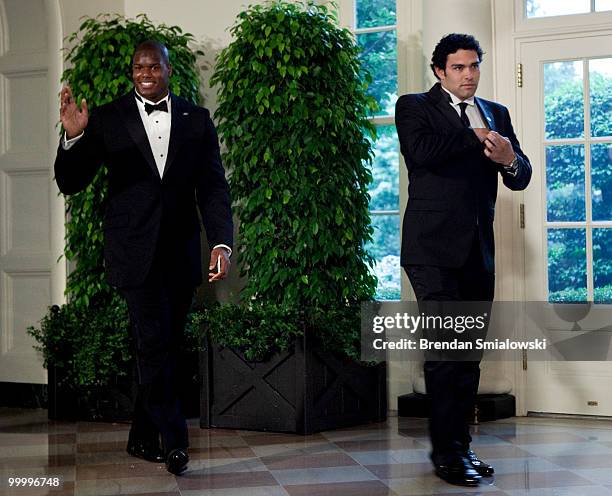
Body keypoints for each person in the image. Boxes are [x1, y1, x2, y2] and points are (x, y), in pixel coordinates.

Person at [54, 40, 233, 476]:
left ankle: (140, 434)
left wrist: (221, 243)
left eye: (154, 65)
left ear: (169, 70)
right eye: (138, 66)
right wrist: (74, 136)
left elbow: (212, 187)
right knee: (153, 342)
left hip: (180, 252)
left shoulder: (197, 119)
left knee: (165, 346)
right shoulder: (108, 117)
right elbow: (72, 182)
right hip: (133, 250)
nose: (146, 72)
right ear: (131, 72)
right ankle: (174, 442)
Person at [395, 33, 531, 486]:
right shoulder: (414, 106)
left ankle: (461, 448)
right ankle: (447, 454)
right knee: (444, 352)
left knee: (468, 355)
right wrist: (472, 137)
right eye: (458, 67)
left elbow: (520, 176)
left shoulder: (497, 113)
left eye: (474, 66)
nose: (469, 74)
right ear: (439, 71)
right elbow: (421, 153)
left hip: (478, 251)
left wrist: (510, 158)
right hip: (431, 251)